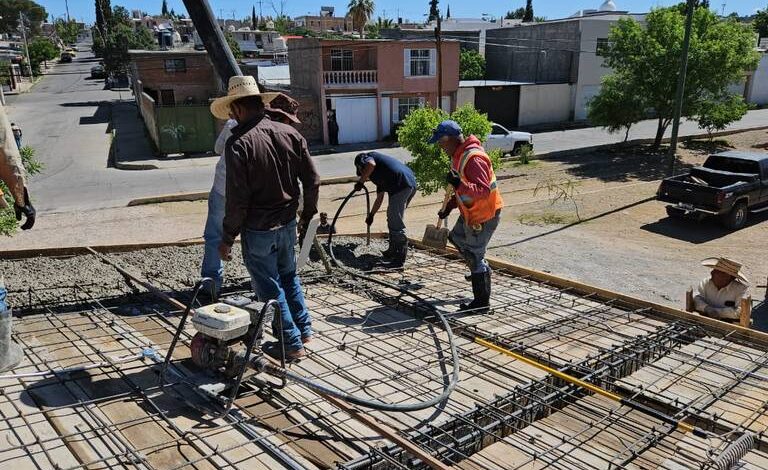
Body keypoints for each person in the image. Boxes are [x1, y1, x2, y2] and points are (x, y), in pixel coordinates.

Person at [212, 76, 320, 362]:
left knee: (270, 287)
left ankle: (291, 343)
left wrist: (227, 238)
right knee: (289, 277)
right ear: (261, 103)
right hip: (287, 223)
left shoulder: (239, 144)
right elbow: (312, 180)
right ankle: (304, 329)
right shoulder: (290, 134)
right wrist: (307, 215)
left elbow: (238, 200)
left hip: (259, 229)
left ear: (236, 110)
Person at [201, 93, 302, 297]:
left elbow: (218, 148)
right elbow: (299, 178)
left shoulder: (235, 123)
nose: (290, 125)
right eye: (288, 121)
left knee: (216, 237)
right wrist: (301, 211)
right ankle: (264, 292)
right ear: (281, 117)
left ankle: (211, 286)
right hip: (248, 196)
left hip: (224, 189)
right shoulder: (280, 134)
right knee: (259, 246)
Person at [429, 120, 503, 313]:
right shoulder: (459, 155)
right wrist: (451, 206)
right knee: (456, 237)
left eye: (441, 142)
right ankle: (479, 269)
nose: (440, 146)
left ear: (451, 139)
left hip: (484, 214)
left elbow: (482, 191)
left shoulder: (474, 158)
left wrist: (458, 184)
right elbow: (464, 190)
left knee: (473, 255)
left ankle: (481, 303)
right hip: (471, 211)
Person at [353, 151, 417, 267]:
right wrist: (371, 215)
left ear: (360, 166)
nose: (364, 174)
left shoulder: (367, 157)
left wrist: (360, 182)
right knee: (393, 218)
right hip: (409, 183)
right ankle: (392, 251)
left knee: (395, 221)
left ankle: (399, 258)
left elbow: (370, 165)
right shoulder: (379, 175)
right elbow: (380, 198)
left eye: (362, 171)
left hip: (401, 184)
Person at [693, 257, 750, 321]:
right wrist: (707, 308)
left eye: (718, 272)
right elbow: (696, 299)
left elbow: (741, 312)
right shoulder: (706, 283)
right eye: (714, 270)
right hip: (704, 318)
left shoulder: (741, 290)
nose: (711, 273)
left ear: (730, 277)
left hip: (729, 324)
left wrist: (716, 312)